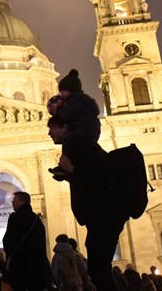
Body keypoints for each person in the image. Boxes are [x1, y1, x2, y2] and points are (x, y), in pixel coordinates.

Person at [48, 115, 127, 291]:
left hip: (104, 212)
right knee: (98, 268)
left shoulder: (78, 142)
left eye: (52, 128)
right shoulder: (77, 142)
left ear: (65, 127)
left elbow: (99, 173)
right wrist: (70, 175)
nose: (49, 133)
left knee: (98, 268)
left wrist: (72, 170)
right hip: (99, 213)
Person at [3, 192, 51, 291]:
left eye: (15, 199)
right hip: (37, 267)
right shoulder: (37, 219)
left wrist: (9, 255)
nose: (12, 202)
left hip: (20, 265)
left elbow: (8, 240)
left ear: (22, 201)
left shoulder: (15, 217)